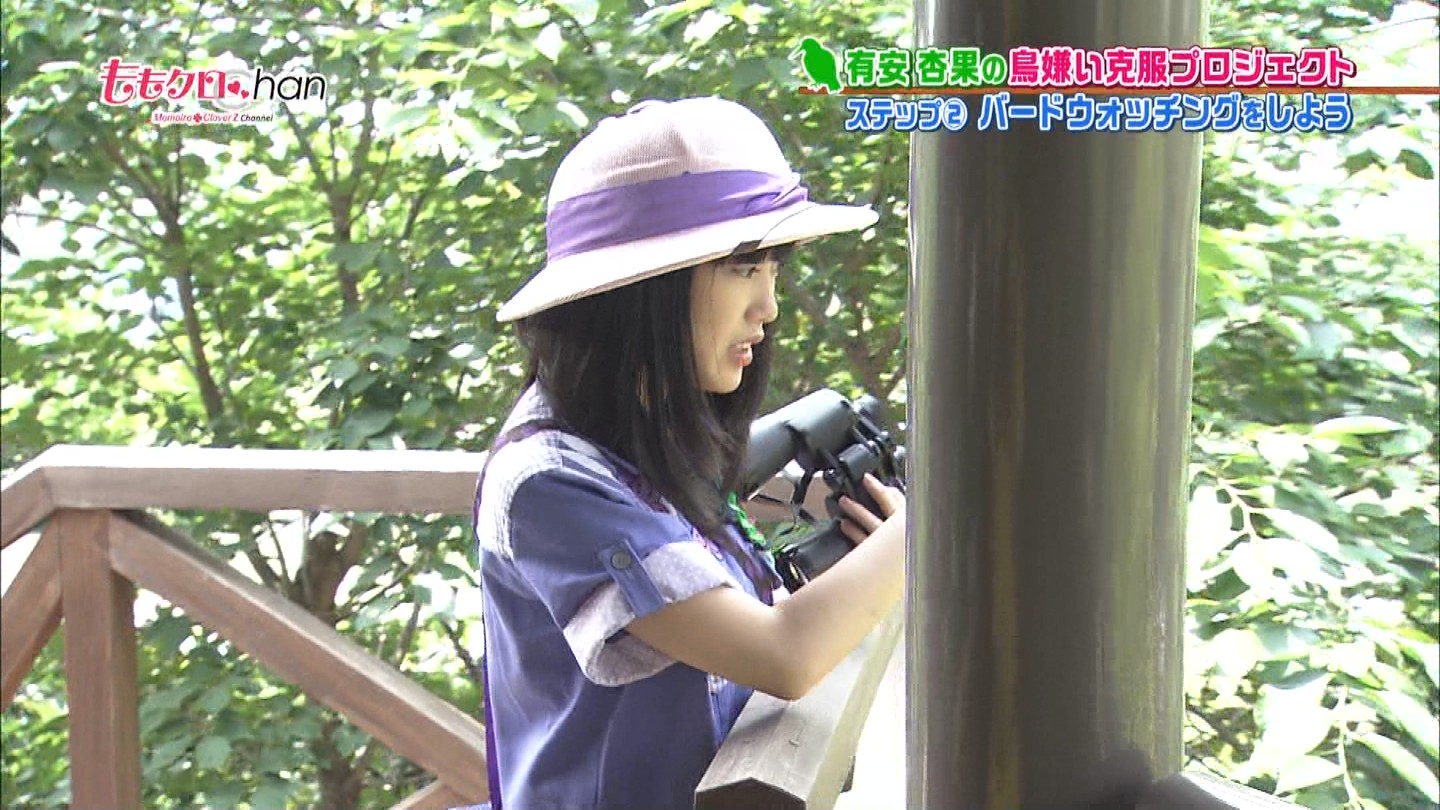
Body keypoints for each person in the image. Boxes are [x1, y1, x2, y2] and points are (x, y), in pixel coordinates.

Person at [467, 96, 906, 810]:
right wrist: (925, 528)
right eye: (743, 267)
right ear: (645, 288)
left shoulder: (645, 434)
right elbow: (783, 656)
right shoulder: (548, 479)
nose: (768, 307)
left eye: (773, 267)